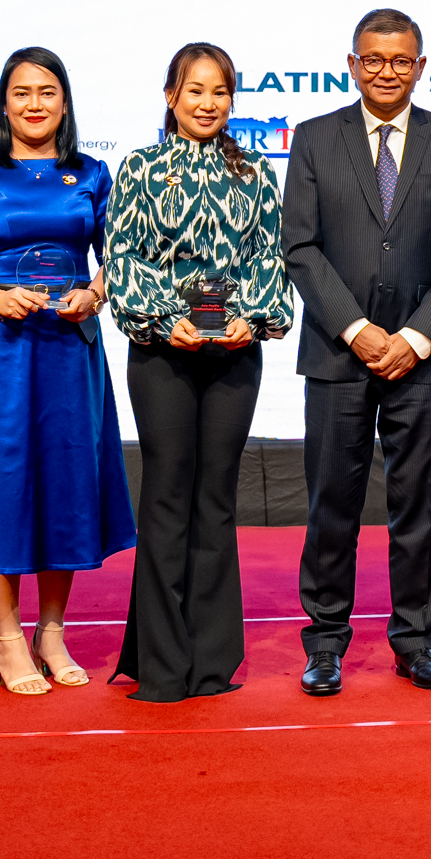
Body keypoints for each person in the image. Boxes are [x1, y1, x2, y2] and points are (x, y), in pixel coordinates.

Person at [283, 9, 431, 696]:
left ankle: (414, 640)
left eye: (401, 61)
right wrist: (355, 328)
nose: (386, 71)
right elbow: (300, 249)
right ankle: (326, 644)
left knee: (419, 506)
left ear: (421, 66)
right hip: (338, 354)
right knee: (331, 505)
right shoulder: (313, 139)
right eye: (373, 59)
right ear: (352, 64)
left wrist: (416, 337)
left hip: (424, 357)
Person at [0, 48, 136, 695]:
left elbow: (119, 260)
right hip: (1, 350)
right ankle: (8, 638)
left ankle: (52, 631)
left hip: (71, 352)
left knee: (66, 484)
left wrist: (94, 294)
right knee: (6, 485)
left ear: (65, 102)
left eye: (47, 91)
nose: (35, 103)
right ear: (5, 102)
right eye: (22, 92)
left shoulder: (94, 174)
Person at [104, 42, 294, 702]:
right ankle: (161, 664)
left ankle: (211, 663)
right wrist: (164, 318)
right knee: (165, 497)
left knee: (215, 501)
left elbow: (272, 262)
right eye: (194, 91)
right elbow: (122, 259)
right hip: (162, 350)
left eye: (219, 92)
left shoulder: (257, 175)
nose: (207, 103)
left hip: (235, 351)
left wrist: (254, 316)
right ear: (170, 96)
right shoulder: (140, 169)